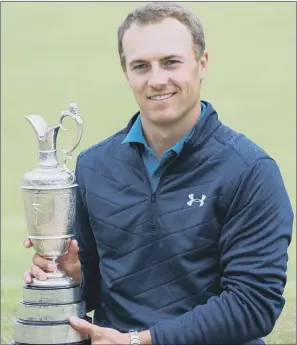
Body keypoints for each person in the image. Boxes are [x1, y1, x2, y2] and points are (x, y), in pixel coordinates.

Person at [23, 2, 294, 345]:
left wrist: (140, 341)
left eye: (171, 62)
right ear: (125, 73)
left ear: (202, 64)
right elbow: (94, 290)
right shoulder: (94, 166)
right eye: (140, 66)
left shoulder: (251, 171)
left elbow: (254, 305)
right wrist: (72, 276)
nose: (156, 79)